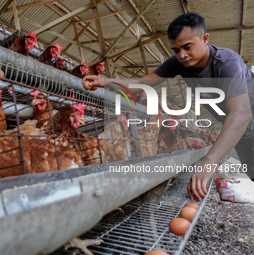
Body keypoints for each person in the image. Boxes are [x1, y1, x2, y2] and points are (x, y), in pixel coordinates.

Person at [82, 12, 254, 202]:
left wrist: (209, 161)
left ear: (205, 39)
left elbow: (241, 113)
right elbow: (142, 82)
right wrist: (105, 81)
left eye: (188, 47)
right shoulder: (180, 63)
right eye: (176, 50)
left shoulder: (226, 62)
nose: (182, 55)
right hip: (243, 131)